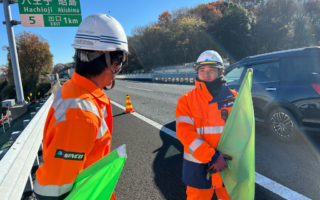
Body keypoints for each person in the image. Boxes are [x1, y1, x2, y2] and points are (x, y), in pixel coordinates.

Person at [34, 14, 129, 200]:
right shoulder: (80, 114)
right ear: (110, 61)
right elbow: (53, 191)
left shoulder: (72, 88)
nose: (119, 68)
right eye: (120, 61)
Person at [175, 50, 237, 200]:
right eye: (202, 70)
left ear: (220, 72)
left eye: (211, 70)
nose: (206, 74)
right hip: (198, 166)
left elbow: (242, 131)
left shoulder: (235, 98)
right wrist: (213, 156)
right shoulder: (186, 100)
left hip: (228, 164)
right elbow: (185, 133)